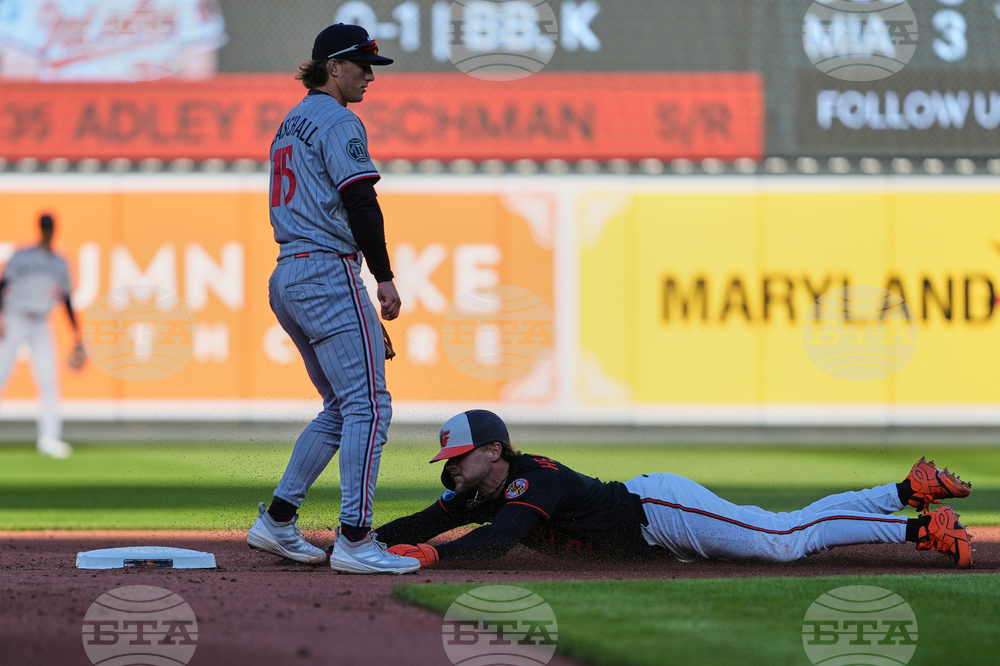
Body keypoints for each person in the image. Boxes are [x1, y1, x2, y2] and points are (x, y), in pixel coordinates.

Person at [377, 410, 974, 569]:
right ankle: (907, 490)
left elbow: (498, 541)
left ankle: (921, 529)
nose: (450, 468)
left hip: (660, 512)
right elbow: (423, 522)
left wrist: (429, 556)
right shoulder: (475, 492)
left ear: (493, 451)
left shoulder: (536, 477)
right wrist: (359, 543)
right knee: (784, 524)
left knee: (783, 541)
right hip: (659, 534)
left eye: (458, 457)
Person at [246, 23, 418, 574]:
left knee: (342, 407)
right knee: (370, 405)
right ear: (333, 66)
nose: (370, 75)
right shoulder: (340, 119)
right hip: (326, 269)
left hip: (289, 274)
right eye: (362, 65)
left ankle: (277, 520)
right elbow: (361, 201)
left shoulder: (290, 122)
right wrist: (383, 277)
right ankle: (355, 539)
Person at [0, 213, 84, 459]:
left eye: (50, 228)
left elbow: (66, 299)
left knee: (48, 380)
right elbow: (2, 286)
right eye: (45, 227)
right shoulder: (22, 255)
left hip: (40, 322)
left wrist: (76, 333)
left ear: (54, 230)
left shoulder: (59, 262)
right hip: (15, 317)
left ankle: (49, 438)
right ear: (41, 229)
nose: (47, 231)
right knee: (1, 375)